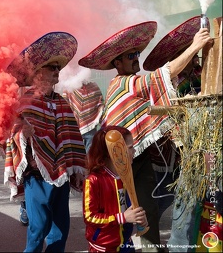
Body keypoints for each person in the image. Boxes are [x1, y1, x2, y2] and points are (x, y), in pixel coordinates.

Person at [78, 21, 212, 251]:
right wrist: (193, 47)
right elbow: (162, 77)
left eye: (137, 53)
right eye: (131, 55)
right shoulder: (123, 83)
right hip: (127, 160)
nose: (136, 59)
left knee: (151, 209)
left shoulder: (134, 81)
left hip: (140, 155)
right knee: (144, 215)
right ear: (117, 62)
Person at [5, 32, 87, 252]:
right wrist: (22, 133)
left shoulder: (62, 103)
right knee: (39, 228)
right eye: (52, 67)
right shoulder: (25, 101)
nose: (57, 72)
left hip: (61, 173)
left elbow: (72, 136)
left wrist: (75, 166)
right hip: (36, 176)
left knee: (61, 229)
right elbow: (11, 134)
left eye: (58, 68)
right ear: (37, 72)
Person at [143, 16, 202, 220]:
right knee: (164, 197)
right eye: (191, 53)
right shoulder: (170, 81)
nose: (195, 58)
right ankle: (147, 230)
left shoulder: (200, 75)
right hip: (169, 148)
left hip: (192, 147)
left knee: (182, 198)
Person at [83, 125, 148, 252]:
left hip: (126, 243)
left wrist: (137, 216)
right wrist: (122, 218)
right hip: (103, 246)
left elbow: (127, 208)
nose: (134, 151)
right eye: (130, 148)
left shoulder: (125, 176)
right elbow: (89, 217)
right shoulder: (93, 180)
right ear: (113, 152)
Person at [65, 81, 104, 153]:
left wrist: (101, 119)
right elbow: (64, 103)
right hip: (73, 126)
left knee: (91, 151)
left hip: (90, 126)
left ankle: (89, 164)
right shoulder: (69, 87)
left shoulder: (94, 86)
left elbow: (100, 103)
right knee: (76, 152)